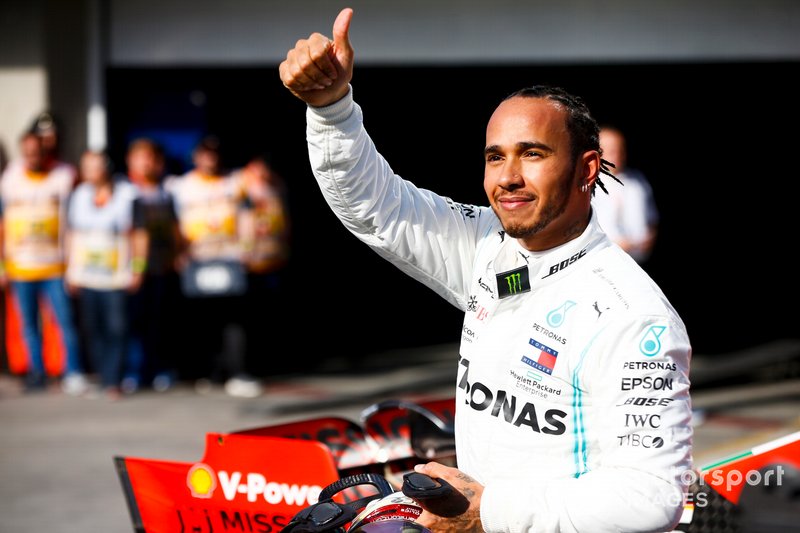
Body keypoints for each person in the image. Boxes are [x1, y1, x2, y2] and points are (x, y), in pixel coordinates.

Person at [279, 8, 692, 533]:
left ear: (587, 169)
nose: (509, 177)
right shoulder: (485, 248)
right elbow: (375, 209)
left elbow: (650, 496)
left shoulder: (634, 315)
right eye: (495, 157)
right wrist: (331, 108)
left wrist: (489, 514)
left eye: (533, 153)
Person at [0, 131, 88, 394]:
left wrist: (74, 263)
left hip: (55, 265)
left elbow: (74, 223)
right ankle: (36, 373)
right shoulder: (9, 179)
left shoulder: (63, 176)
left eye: (37, 151)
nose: (32, 157)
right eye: (27, 152)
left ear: (45, 151)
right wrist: (2, 266)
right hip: (20, 266)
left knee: (65, 322)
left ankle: (73, 371)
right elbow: (3, 224)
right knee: (28, 325)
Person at [168, 136, 252, 394]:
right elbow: (173, 221)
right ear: (196, 157)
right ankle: (211, 374)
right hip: (198, 259)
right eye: (205, 154)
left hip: (229, 256)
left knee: (233, 319)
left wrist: (247, 249)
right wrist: (178, 253)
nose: (210, 159)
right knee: (204, 320)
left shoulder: (235, 181)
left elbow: (247, 214)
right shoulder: (182, 186)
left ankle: (237, 373)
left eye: (214, 154)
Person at [65, 150, 138, 399]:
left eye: (93, 166)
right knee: (93, 329)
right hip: (87, 275)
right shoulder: (78, 196)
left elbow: (138, 234)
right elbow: (72, 234)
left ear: (106, 167)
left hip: (117, 276)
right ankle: (103, 377)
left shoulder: (127, 194)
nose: (88, 172)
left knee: (116, 328)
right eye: (85, 166)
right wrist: (71, 271)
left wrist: (137, 268)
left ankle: (115, 380)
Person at [123, 138, 183, 393]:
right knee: (133, 324)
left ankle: (161, 370)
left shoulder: (166, 192)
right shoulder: (125, 192)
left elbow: (174, 230)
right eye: (142, 157)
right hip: (131, 271)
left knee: (160, 323)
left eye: (152, 158)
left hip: (162, 268)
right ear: (130, 160)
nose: (148, 163)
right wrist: (135, 267)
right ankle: (135, 373)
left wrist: (178, 254)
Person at [592, 126, 659, 264]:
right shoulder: (588, 184)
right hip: (605, 260)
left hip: (640, 260)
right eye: (610, 150)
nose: (616, 154)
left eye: (619, 149)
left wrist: (650, 238)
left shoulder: (637, 180)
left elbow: (652, 217)